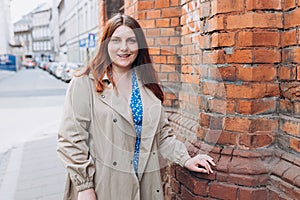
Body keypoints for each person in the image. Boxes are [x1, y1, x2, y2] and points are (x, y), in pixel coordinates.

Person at [57, 14, 216, 200]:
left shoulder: (147, 85)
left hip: (145, 186)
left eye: (131, 40)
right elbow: (71, 139)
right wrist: (84, 187)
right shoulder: (85, 83)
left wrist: (186, 158)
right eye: (116, 40)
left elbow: (162, 136)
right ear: (105, 44)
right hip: (103, 186)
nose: (124, 48)